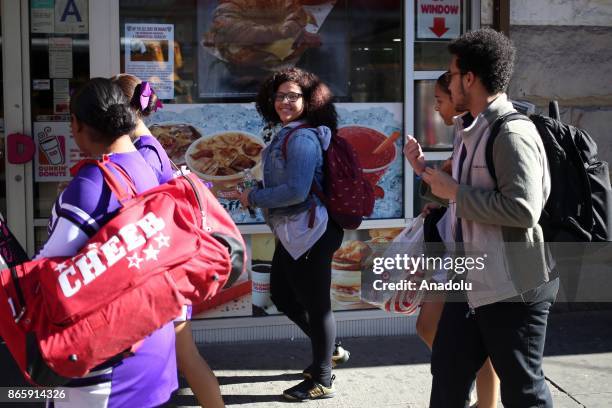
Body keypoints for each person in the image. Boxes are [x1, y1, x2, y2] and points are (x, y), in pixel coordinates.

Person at [405, 28, 558, 407]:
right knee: (447, 379)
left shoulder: (511, 132)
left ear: (469, 78)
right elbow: (459, 189)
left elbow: (524, 210)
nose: (450, 82)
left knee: (523, 391)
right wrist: (429, 175)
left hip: (513, 287)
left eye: (452, 74)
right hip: (470, 281)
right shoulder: (471, 130)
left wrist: (455, 193)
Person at [36, 78, 177, 407]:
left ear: (77, 125)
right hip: (155, 344)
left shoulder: (91, 184)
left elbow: (45, 279)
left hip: (108, 365)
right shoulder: (145, 164)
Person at [111, 73, 225, 408]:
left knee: (181, 358)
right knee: (185, 357)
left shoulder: (141, 156)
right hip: (170, 269)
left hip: (160, 275)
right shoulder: (152, 146)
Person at [239, 67, 347, 401]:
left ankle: (322, 379)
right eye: (280, 95)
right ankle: (329, 349)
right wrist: (256, 188)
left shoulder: (301, 136)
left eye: (293, 96)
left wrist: (253, 197)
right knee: (284, 296)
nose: (285, 101)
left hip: (310, 231)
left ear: (308, 100)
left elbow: (297, 191)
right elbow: (288, 184)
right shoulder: (288, 132)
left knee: (318, 306)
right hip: (294, 231)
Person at [406, 72, 500, 408]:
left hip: (470, 253)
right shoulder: (463, 134)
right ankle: (474, 385)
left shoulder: (483, 134)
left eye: (439, 100)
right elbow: (451, 187)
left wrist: (440, 187)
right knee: (428, 326)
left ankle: (486, 401)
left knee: (458, 338)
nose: (435, 107)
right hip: (452, 246)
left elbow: (476, 193)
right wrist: (421, 170)